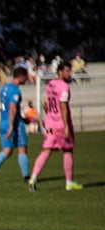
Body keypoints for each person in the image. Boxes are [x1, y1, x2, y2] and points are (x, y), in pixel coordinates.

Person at [28, 61, 81, 192]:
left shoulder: (50, 84)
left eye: (70, 71)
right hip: (61, 124)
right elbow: (63, 106)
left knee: (46, 151)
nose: (70, 74)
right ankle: (69, 183)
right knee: (68, 150)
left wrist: (50, 117)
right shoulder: (64, 87)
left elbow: (46, 104)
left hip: (50, 123)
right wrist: (67, 126)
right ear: (60, 72)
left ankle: (33, 178)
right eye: (67, 71)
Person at [0, 66, 31, 186]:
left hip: (3, 122)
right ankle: (27, 177)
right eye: (26, 77)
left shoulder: (4, 88)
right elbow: (12, 108)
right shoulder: (15, 90)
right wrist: (12, 125)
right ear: (21, 76)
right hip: (13, 124)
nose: (27, 79)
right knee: (22, 149)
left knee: (7, 151)